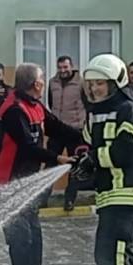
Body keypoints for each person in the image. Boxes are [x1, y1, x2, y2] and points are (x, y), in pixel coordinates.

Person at [0, 63, 84, 265]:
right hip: (7, 187)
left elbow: (56, 127)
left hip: (27, 185)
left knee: (35, 239)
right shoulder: (13, 110)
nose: (44, 82)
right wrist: (60, 159)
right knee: (21, 242)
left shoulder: (35, 105)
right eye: (42, 79)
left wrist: (84, 141)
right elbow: (28, 147)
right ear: (37, 84)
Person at [75, 54, 133, 265]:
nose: (94, 89)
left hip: (127, 189)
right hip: (109, 191)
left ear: (115, 82)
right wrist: (85, 158)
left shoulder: (128, 110)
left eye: (100, 83)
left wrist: (94, 160)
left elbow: (125, 152)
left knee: (111, 249)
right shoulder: (95, 112)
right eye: (91, 84)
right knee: (120, 248)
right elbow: (89, 143)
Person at [47, 55, 86, 212]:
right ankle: (43, 199)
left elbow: (88, 104)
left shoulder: (81, 83)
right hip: (57, 130)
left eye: (66, 67)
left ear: (72, 67)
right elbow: (51, 103)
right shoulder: (52, 82)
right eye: (60, 68)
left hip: (75, 129)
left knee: (74, 165)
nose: (63, 70)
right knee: (50, 163)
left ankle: (70, 199)